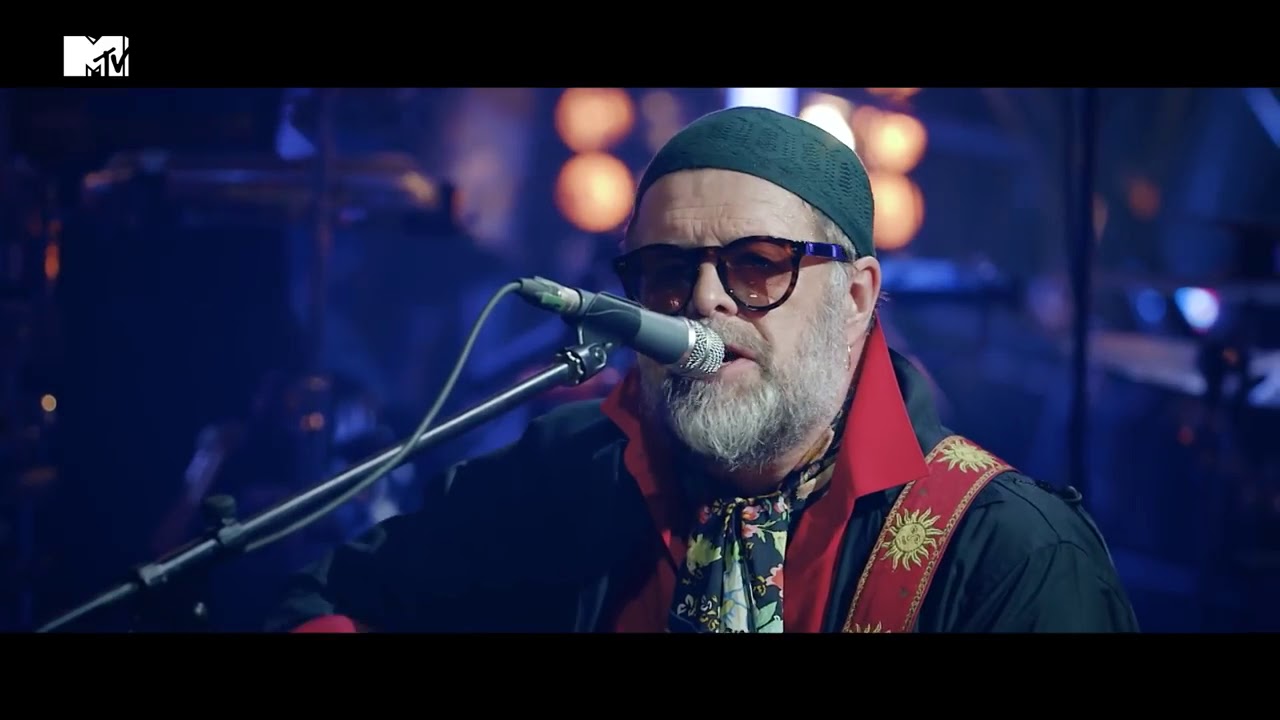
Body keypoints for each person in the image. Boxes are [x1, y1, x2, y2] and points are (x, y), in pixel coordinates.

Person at [265, 106, 1140, 633]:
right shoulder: (566, 473)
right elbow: (336, 598)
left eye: (758, 264)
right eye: (667, 271)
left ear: (857, 296)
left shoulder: (1013, 553)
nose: (705, 300)